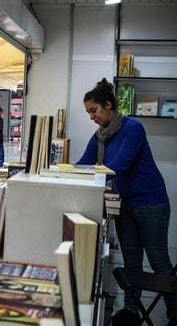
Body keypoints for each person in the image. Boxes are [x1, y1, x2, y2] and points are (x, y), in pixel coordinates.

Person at [76, 78, 176, 326]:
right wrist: (58, 171)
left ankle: (175, 315)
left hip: (150, 201)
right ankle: (132, 312)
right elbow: (83, 163)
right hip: (123, 203)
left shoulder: (133, 127)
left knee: (158, 260)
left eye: (93, 110)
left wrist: (93, 170)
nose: (91, 117)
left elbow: (119, 165)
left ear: (108, 104)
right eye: (88, 112)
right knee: (132, 259)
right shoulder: (99, 136)